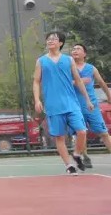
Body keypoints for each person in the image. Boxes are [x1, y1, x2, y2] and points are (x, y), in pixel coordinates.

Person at [32, 31, 94, 175]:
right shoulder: (41, 61)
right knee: (59, 137)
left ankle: (77, 154)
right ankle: (69, 165)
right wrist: (37, 100)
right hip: (53, 105)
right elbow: (36, 81)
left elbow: (78, 80)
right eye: (48, 39)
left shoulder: (68, 60)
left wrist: (87, 99)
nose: (50, 41)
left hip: (71, 103)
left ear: (60, 43)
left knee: (82, 131)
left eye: (54, 39)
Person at [70, 43, 111, 168]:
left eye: (78, 49)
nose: (75, 50)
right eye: (73, 49)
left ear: (84, 53)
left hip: (91, 106)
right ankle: (85, 156)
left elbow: (102, 83)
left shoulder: (91, 68)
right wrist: (80, 81)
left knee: (103, 132)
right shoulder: (68, 68)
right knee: (80, 133)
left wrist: (109, 96)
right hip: (75, 107)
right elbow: (65, 83)